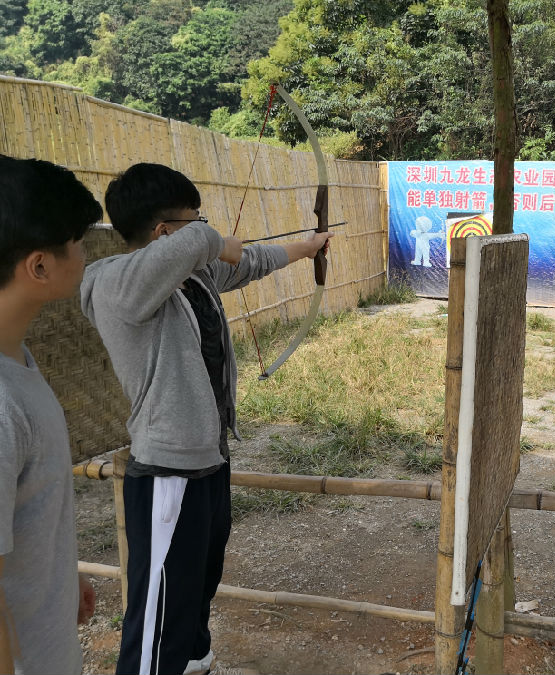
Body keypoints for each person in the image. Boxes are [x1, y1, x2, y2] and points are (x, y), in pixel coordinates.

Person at [80, 162, 333, 675]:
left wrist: (308, 246)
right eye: (194, 222)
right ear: (164, 232)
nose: (205, 231)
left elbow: (252, 260)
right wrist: (211, 236)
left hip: (210, 465)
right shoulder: (111, 284)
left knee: (196, 593)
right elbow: (203, 245)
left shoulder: (190, 275)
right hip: (166, 475)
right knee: (157, 622)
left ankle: (195, 663)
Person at [0, 156, 99, 674]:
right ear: (39, 266)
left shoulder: (17, 359)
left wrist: (64, 578)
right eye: (78, 243)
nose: (85, 255)